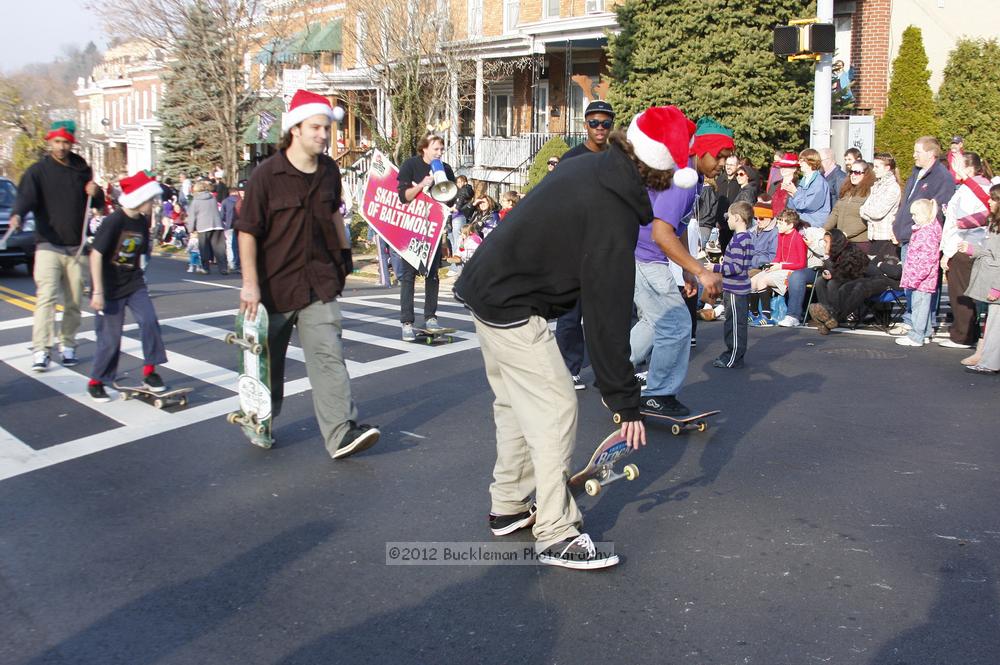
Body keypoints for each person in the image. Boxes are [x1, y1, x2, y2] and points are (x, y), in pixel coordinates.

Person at [452, 107, 699, 570]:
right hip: (511, 305)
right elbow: (605, 317)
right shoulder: (612, 210)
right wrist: (625, 401)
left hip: (485, 287)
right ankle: (556, 530)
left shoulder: (590, 164)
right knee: (556, 407)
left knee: (513, 404)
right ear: (662, 170)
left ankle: (507, 504)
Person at [235, 89, 379, 457]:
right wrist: (250, 285)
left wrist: (344, 256)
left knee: (329, 357)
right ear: (295, 129)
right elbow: (247, 231)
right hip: (274, 288)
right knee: (270, 366)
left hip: (320, 282)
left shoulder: (329, 170)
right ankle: (260, 419)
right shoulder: (267, 176)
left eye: (327, 128)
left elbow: (334, 214)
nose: (323, 134)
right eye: (316, 127)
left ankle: (341, 433)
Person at [630, 113, 727, 416]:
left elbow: (678, 225)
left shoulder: (691, 177)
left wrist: (687, 267)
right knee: (677, 323)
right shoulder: (683, 180)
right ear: (703, 150)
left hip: (638, 253)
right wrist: (701, 271)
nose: (724, 163)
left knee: (654, 320)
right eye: (721, 155)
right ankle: (658, 394)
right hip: (644, 256)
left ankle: (616, 373)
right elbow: (661, 233)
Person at [10, 120, 105, 371]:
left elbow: (98, 203)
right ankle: (41, 349)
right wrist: (18, 214)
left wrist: (95, 192)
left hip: (75, 246)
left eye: (66, 142)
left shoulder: (82, 169)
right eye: (57, 142)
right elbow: (26, 199)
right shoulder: (38, 171)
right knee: (47, 298)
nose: (61, 147)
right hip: (47, 245)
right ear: (49, 142)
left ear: (72, 143)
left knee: (74, 300)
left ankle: (68, 344)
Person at [86, 171, 168, 402]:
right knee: (110, 338)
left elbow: (139, 253)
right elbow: (95, 255)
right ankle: (96, 381)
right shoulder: (114, 221)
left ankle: (150, 372)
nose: (153, 204)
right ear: (140, 199)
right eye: (151, 200)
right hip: (109, 287)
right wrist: (98, 291)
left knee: (149, 321)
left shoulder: (141, 221)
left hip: (134, 282)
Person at [555, 99, 616, 390]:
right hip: (572, 248)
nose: (600, 128)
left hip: (604, 249)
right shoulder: (571, 159)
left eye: (606, 123)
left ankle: (607, 371)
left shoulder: (617, 158)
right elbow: (555, 199)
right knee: (570, 317)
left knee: (603, 316)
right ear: (585, 125)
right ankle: (570, 368)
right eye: (594, 123)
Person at [394, 134, 456, 341]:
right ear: (424, 149)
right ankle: (407, 322)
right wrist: (422, 184)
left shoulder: (445, 169)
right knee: (408, 277)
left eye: (441, 149)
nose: (439, 153)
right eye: (436, 149)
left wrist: (449, 199)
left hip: (433, 230)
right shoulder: (410, 165)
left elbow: (450, 197)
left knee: (433, 275)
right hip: (412, 228)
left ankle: (430, 317)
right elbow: (403, 197)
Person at [892, 136, 954, 334]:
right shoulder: (917, 173)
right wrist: (897, 226)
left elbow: (939, 209)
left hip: (923, 237)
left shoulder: (941, 177)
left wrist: (923, 230)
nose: (913, 155)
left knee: (924, 284)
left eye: (917, 152)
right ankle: (913, 320)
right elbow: (907, 202)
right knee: (910, 282)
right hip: (907, 234)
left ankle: (921, 325)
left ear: (930, 153)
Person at [939, 152, 995, 350]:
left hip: (967, 248)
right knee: (971, 295)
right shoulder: (971, 188)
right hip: (970, 246)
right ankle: (971, 336)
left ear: (970, 169)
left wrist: (948, 251)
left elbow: (963, 224)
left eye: (958, 166)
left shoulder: (977, 188)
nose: (953, 170)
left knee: (962, 293)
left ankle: (963, 336)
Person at [960, 184, 1000, 374]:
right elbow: (990, 252)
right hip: (993, 278)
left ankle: (990, 363)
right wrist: (972, 250)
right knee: (993, 323)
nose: (989, 201)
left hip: (996, 282)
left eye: (993, 198)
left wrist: (996, 288)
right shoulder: (994, 223)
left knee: (994, 325)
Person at [709, 201, 754, 368]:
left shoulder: (739, 240)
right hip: (735, 288)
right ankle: (733, 354)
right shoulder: (744, 238)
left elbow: (736, 267)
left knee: (734, 324)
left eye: (727, 216)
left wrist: (715, 267)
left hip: (736, 289)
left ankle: (733, 356)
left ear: (737, 218)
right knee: (733, 322)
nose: (726, 220)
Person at [895, 199, 943, 347]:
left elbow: (926, 260)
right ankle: (926, 333)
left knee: (919, 308)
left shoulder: (926, 233)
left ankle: (916, 336)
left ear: (926, 214)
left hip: (921, 279)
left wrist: (915, 278)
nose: (913, 217)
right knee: (923, 308)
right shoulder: (925, 230)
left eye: (916, 214)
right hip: (921, 278)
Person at [748, 209, 808, 325]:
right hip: (780, 267)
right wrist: (772, 265)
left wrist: (780, 266)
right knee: (753, 281)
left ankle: (767, 317)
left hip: (790, 270)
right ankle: (754, 313)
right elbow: (778, 256)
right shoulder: (781, 235)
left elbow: (801, 263)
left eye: (781, 223)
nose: (778, 225)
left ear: (790, 225)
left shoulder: (798, 238)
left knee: (762, 281)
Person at [807, 228, 870, 333]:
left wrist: (831, 271)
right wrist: (825, 272)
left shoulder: (850, 251)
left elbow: (848, 271)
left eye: (827, 242)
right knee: (820, 281)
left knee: (832, 283)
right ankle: (825, 314)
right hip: (840, 277)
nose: (824, 244)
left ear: (835, 242)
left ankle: (834, 315)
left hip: (854, 279)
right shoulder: (834, 252)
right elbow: (829, 269)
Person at [824, 159, 875, 254]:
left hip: (860, 243)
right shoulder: (847, 191)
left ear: (866, 174)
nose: (853, 175)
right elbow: (835, 213)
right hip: (843, 241)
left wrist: (846, 234)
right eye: (851, 172)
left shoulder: (870, 193)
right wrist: (824, 229)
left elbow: (866, 219)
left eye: (857, 172)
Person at [860, 152, 902, 259]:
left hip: (885, 237)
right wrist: (866, 211)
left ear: (887, 168)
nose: (874, 169)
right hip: (873, 235)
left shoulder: (893, 188)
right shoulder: (877, 186)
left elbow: (877, 213)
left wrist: (866, 211)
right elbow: (862, 209)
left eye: (877, 166)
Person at [188, 180, 228, 274]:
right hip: (217, 225)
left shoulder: (196, 201)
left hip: (203, 226)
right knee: (219, 248)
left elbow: (192, 216)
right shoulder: (212, 198)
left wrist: (191, 229)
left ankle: (206, 268)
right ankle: (223, 268)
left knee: (204, 248)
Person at [785, 148, 831, 227]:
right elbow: (793, 206)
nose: (799, 163)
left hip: (813, 225)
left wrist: (795, 193)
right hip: (801, 222)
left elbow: (808, 206)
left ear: (811, 162)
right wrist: (791, 194)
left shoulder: (819, 182)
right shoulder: (803, 180)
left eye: (802, 161)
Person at [220, 182, 243, 272]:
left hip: (229, 225)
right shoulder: (240, 201)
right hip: (240, 225)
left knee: (231, 245)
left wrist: (223, 224)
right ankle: (238, 262)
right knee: (239, 245)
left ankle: (232, 262)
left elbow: (222, 215)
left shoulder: (225, 201)